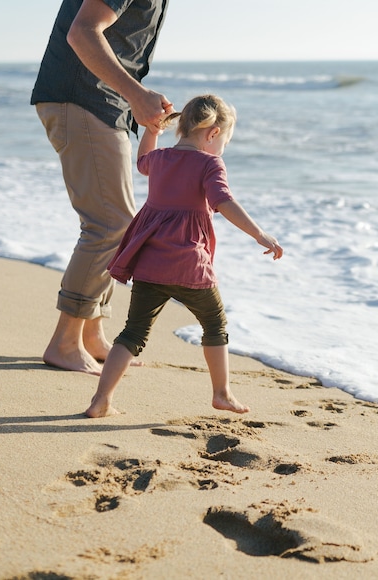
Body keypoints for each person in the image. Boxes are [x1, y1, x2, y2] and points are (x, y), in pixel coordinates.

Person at [84, 94, 284, 418]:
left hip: (149, 263)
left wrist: (151, 131)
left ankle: (100, 400)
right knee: (215, 325)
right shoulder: (210, 163)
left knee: (133, 333)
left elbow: (142, 161)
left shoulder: (161, 158)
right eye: (224, 141)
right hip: (190, 266)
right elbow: (224, 202)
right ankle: (222, 393)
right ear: (213, 134)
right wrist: (260, 233)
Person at [32, 0, 173, 375]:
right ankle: (64, 342)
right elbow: (83, 32)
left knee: (119, 223)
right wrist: (137, 95)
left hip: (102, 104)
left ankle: (92, 334)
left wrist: (137, 99)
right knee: (110, 224)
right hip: (83, 99)